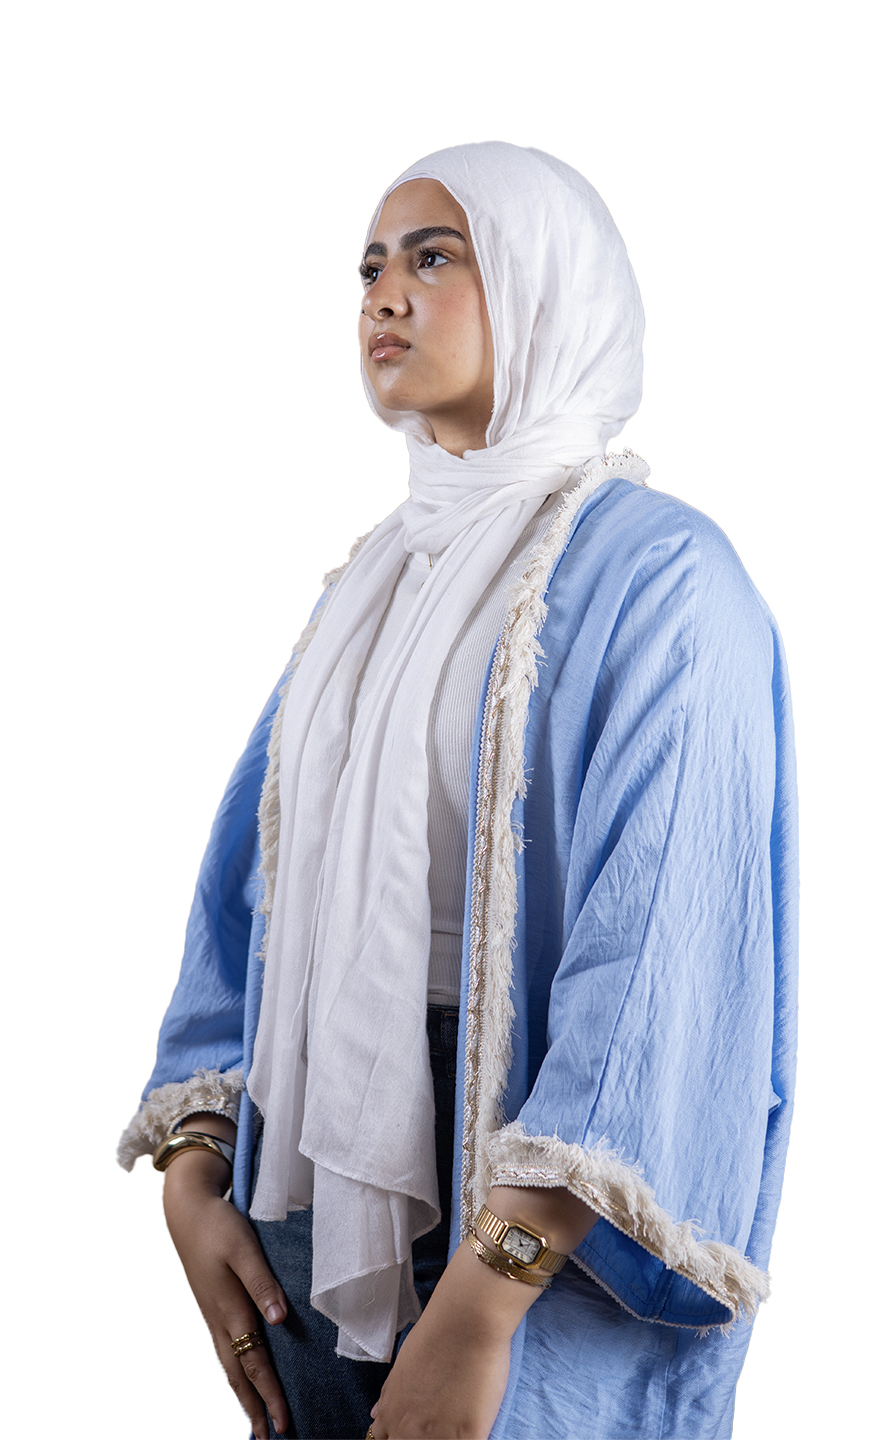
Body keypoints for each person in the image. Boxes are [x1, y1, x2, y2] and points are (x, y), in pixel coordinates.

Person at [118, 141, 797, 1440]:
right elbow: (253, 881)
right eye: (370, 266)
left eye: (435, 257)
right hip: (311, 1182)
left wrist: (488, 1298)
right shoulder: (380, 582)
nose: (384, 294)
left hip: (531, 1220)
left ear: (547, 285)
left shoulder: (664, 578)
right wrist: (194, 1172)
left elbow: (657, 956)